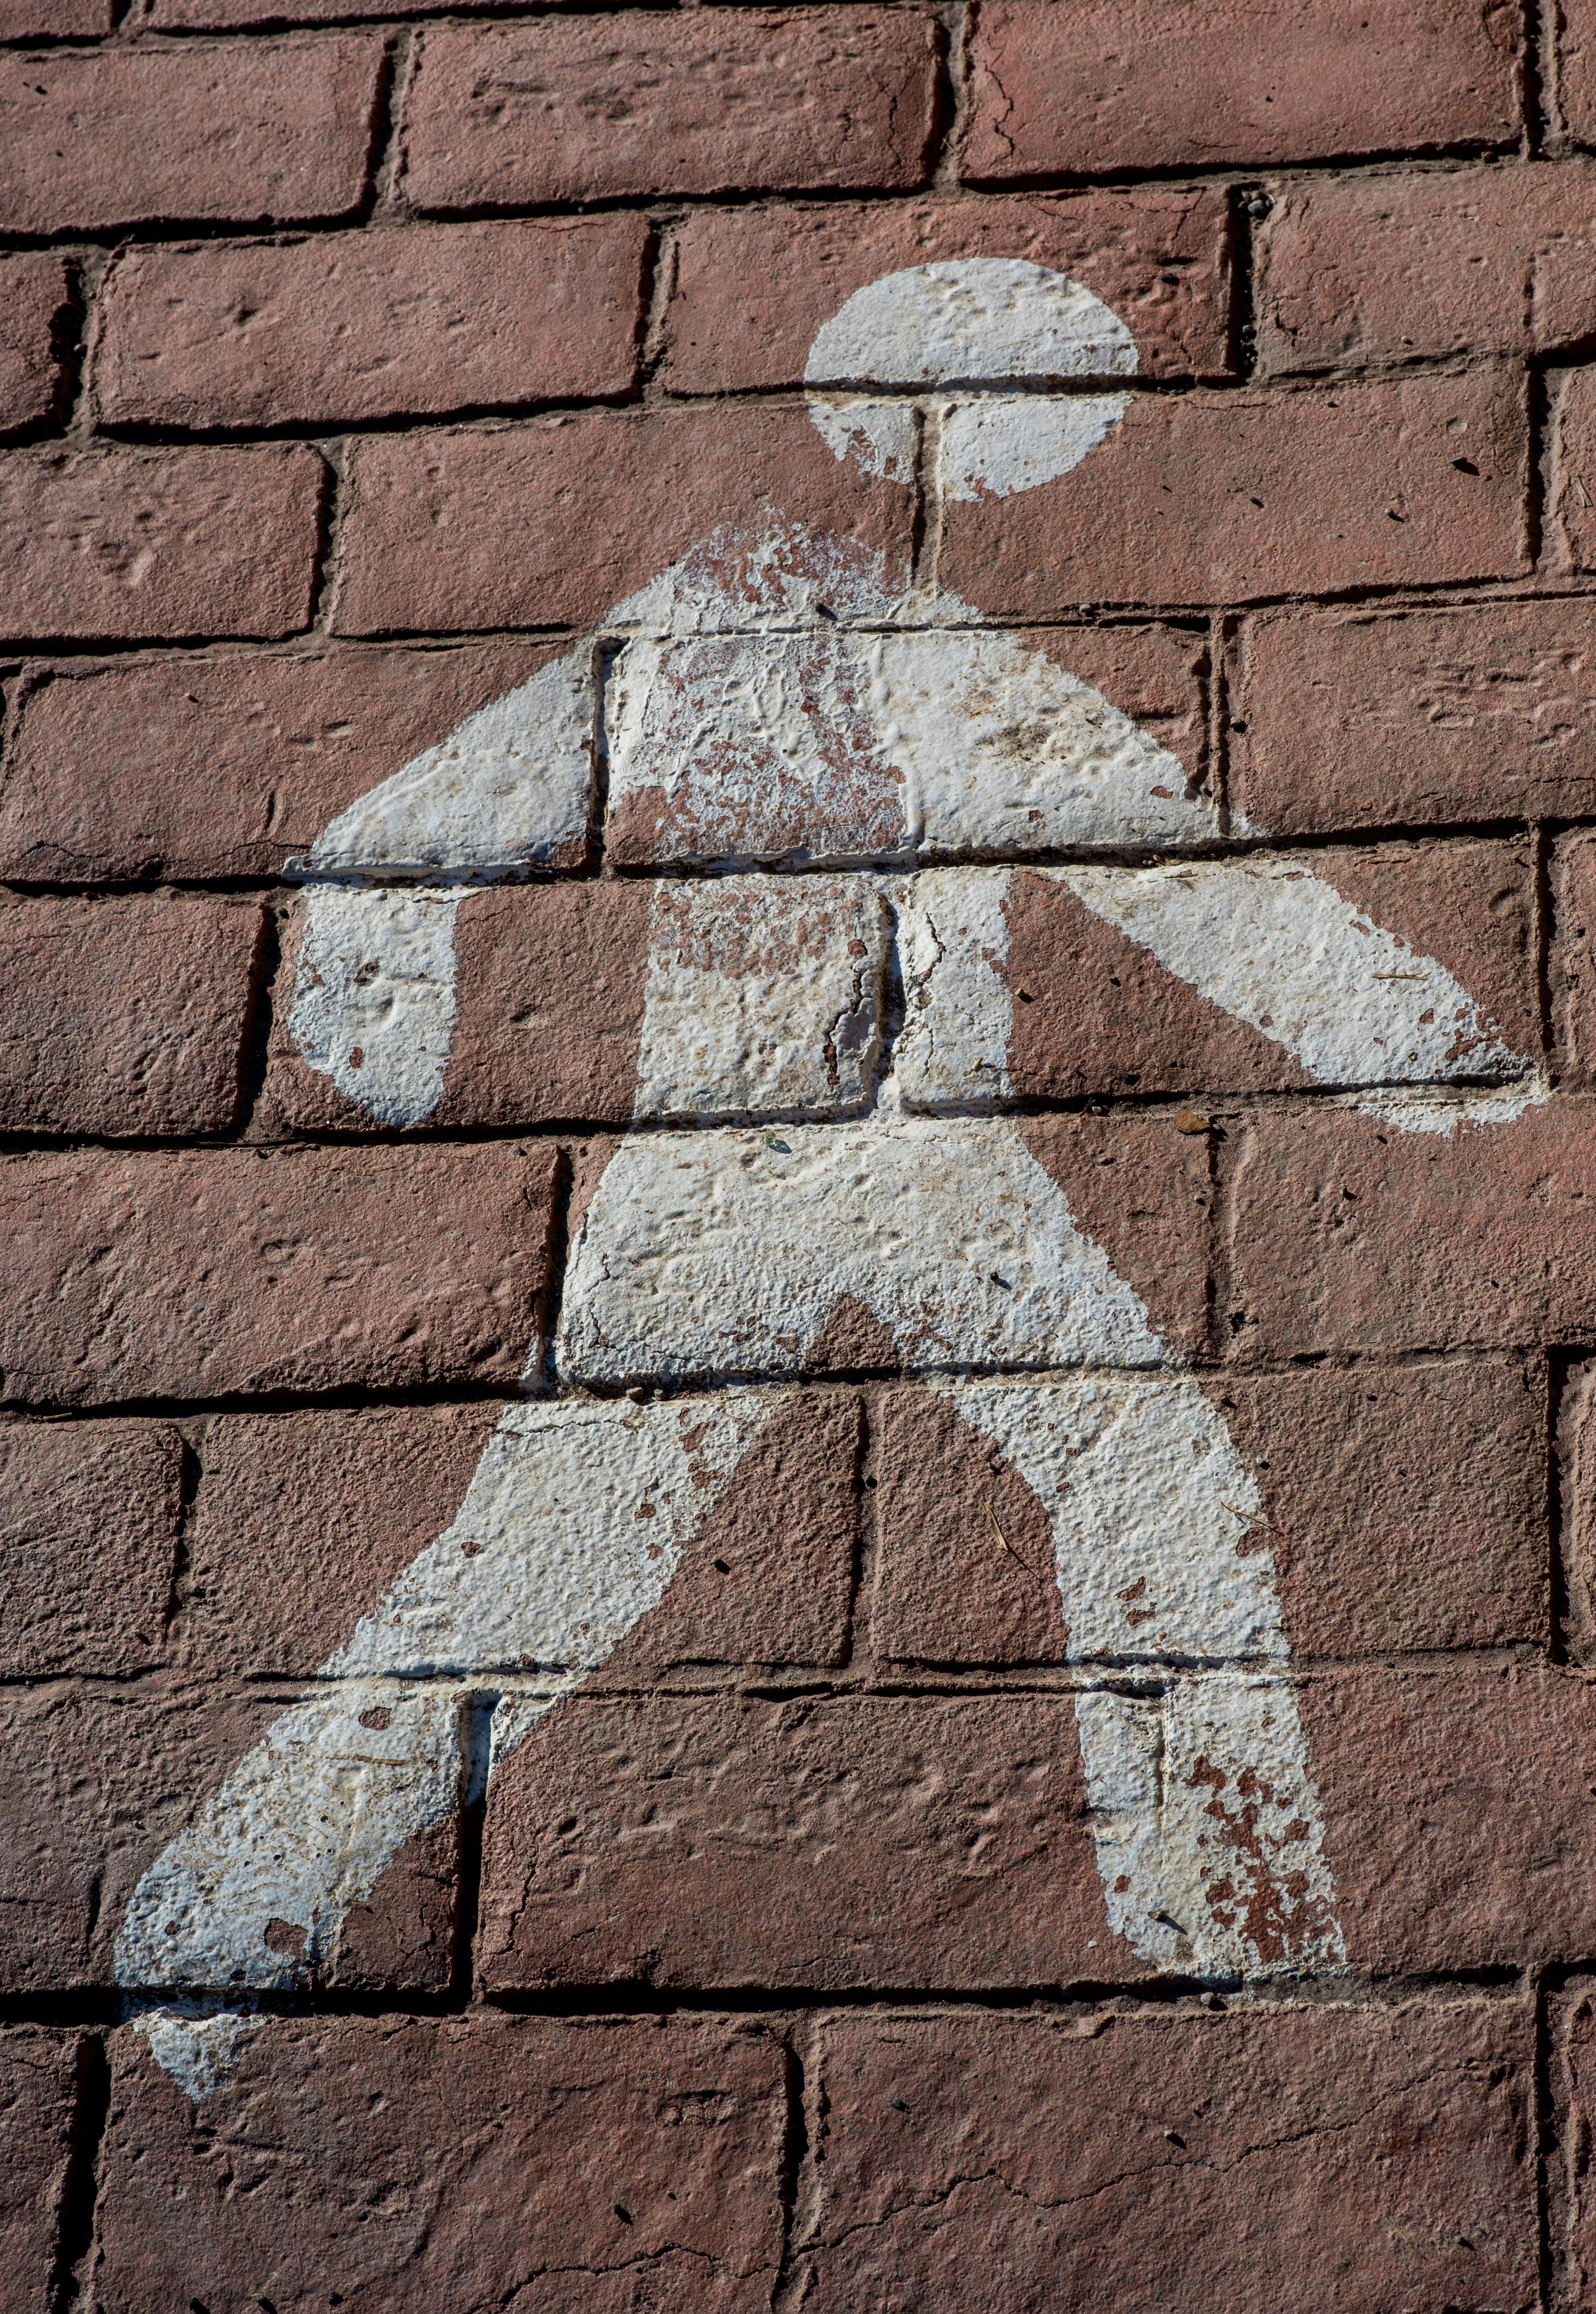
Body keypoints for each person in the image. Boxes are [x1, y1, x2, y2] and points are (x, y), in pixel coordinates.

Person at [120, 262, 1540, 2090]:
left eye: (998, 432)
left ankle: (1243, 1935)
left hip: (936, 1168)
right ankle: (223, 1914)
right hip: (722, 1172)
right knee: (548, 1560)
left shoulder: (948, 663)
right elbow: (430, 817)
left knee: (1154, 1469)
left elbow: (1180, 869)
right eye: (951, 423)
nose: (968, 463)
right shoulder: (729, 602)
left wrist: (1418, 1048)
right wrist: (376, 1001)